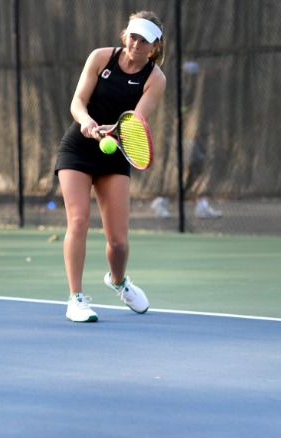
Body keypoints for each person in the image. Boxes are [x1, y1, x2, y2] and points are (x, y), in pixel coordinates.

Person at [54, 11, 166, 322]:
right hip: (78, 147)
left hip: (115, 151)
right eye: (132, 36)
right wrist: (87, 121)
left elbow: (135, 123)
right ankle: (76, 299)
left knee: (118, 242)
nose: (135, 44)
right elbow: (78, 101)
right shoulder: (100, 57)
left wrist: (113, 131)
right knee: (78, 221)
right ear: (125, 35)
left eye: (143, 40)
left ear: (154, 46)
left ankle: (118, 281)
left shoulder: (155, 79)